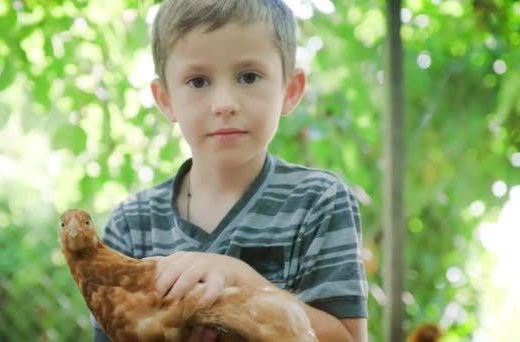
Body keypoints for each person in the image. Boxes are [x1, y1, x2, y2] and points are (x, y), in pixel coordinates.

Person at [93, 0, 368, 341]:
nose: (224, 103)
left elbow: (349, 338)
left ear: (290, 90)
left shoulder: (318, 202)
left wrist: (244, 283)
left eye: (248, 76)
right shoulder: (132, 226)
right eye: (198, 81)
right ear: (165, 99)